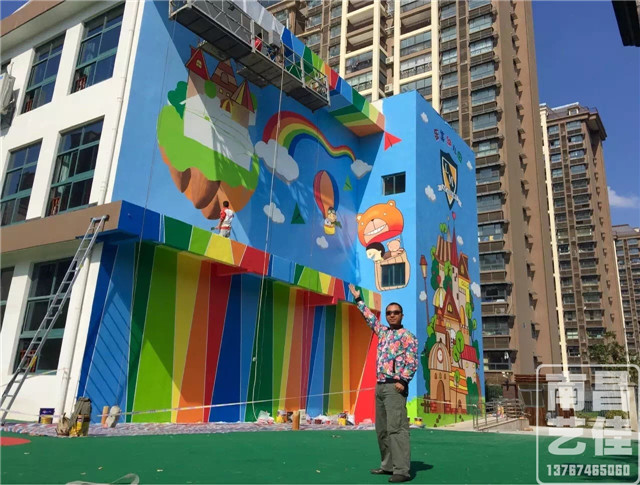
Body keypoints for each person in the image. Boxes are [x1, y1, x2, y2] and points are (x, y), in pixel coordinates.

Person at [349, 283, 418, 483]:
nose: (392, 315)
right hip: (379, 386)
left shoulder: (407, 336)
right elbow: (370, 318)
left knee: (396, 428)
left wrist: (403, 380)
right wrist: (358, 299)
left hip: (394, 387)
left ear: (402, 315)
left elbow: (412, 361)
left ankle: (402, 470)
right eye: (389, 313)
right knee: (382, 429)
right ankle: (388, 465)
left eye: (396, 312)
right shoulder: (383, 332)